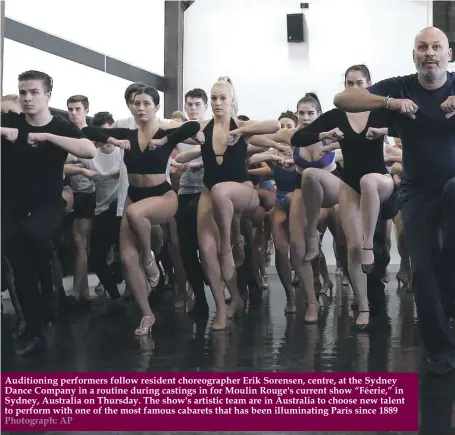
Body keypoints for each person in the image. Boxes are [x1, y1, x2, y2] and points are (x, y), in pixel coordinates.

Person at [334, 27, 455, 375]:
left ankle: (448, 291)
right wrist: (390, 103)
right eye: (422, 48)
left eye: (437, 47)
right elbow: (344, 100)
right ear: (414, 55)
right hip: (416, 191)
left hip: (453, 188)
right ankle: (442, 352)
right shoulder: (399, 87)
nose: (429, 53)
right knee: (422, 269)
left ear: (448, 54)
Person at [1, 70, 96, 356]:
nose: (27, 98)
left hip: (49, 202)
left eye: (33, 93)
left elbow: (88, 149)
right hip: (13, 204)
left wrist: (47, 137)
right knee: (17, 257)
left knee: (34, 237)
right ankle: (34, 329)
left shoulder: (61, 125)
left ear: (47, 96)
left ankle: (51, 295)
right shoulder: (11, 121)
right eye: (23, 93)